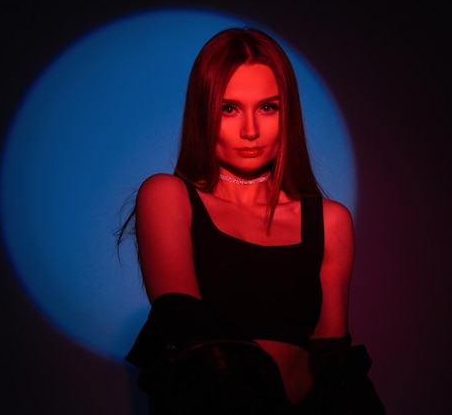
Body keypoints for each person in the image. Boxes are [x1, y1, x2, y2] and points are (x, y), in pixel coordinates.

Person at [119, 27, 385, 415]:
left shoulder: (329, 222)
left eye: (267, 107)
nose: (250, 130)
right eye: (229, 108)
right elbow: (187, 335)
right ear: (202, 112)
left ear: (287, 113)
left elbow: (332, 366)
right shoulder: (168, 196)